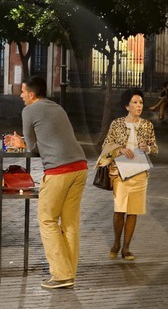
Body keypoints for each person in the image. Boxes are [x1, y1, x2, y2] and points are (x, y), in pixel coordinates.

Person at [8, 76, 88, 291]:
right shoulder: (58, 107)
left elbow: (32, 147)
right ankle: (69, 272)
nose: (21, 95)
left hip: (58, 170)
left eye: (23, 92)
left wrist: (20, 143)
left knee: (47, 219)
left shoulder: (29, 111)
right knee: (70, 223)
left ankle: (61, 275)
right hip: (80, 167)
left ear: (32, 94)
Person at [98, 88, 157, 262]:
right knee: (119, 209)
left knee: (133, 211)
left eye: (141, 103)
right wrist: (120, 149)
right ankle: (116, 242)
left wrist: (148, 148)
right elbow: (106, 145)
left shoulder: (147, 125)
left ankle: (126, 247)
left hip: (140, 171)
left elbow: (155, 147)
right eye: (135, 102)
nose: (139, 106)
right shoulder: (117, 124)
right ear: (127, 106)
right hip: (120, 172)